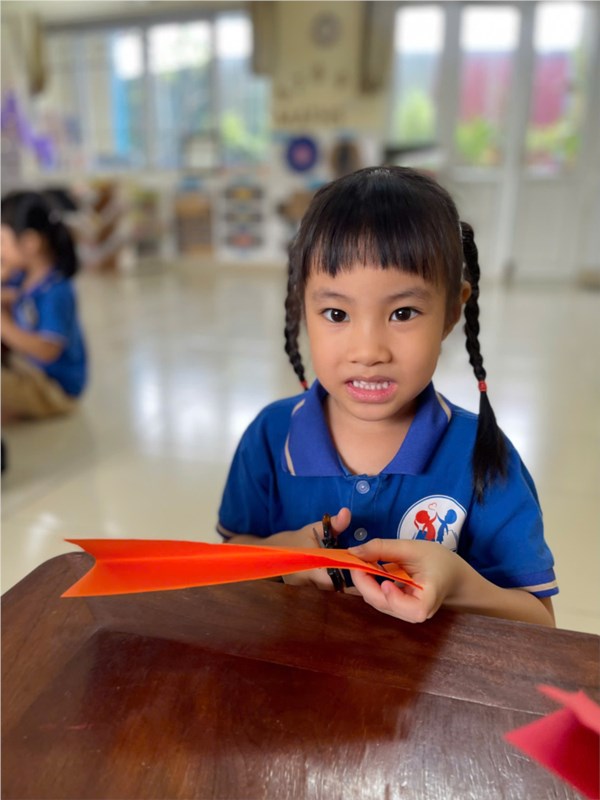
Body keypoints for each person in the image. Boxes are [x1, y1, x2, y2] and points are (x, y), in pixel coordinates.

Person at [217, 166, 556, 627]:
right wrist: (282, 556)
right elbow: (227, 560)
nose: (369, 351)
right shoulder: (270, 436)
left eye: (403, 312)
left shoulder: (483, 456)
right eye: (336, 313)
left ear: (452, 311)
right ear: (302, 308)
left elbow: (539, 622)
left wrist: (458, 584)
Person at [1, 190, 87, 421]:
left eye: (2, 242)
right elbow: (11, 294)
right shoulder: (23, 277)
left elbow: (47, 350)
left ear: (30, 243)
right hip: (30, 370)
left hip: (56, 390)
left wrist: (4, 326)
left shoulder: (55, 290)